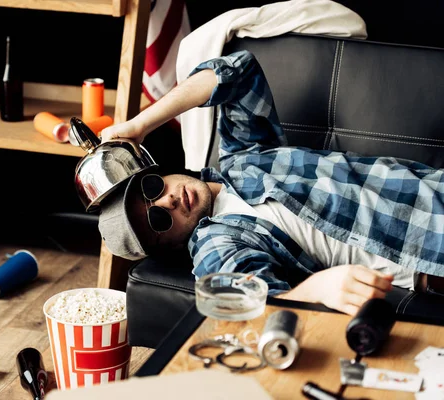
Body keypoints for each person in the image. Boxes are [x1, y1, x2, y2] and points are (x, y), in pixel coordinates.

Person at [96, 50, 444, 316]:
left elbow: (238, 71)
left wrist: (141, 125)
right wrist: (316, 290)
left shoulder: (242, 157)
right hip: (431, 249)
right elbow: (244, 303)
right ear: (168, 247)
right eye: (158, 220)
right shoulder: (216, 242)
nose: (167, 202)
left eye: (152, 189)